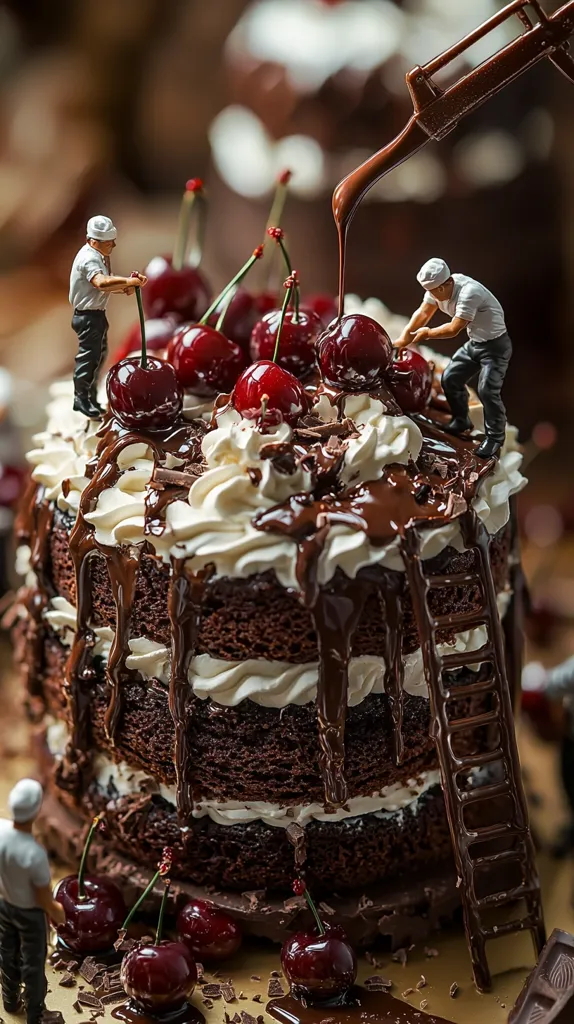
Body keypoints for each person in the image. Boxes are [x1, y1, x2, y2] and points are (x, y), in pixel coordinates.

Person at [395, 258, 512, 460]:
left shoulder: (469, 292)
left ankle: (495, 437)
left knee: (487, 390)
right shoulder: (437, 290)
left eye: (434, 291)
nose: (431, 295)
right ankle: (461, 420)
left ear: (447, 284)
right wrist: (404, 338)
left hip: (495, 346)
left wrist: (428, 333)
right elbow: (423, 313)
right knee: (450, 377)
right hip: (476, 343)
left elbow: (454, 328)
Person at [69, 215, 147, 418]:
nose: (113, 244)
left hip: (96, 315)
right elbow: (101, 283)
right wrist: (128, 282)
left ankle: (90, 396)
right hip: (88, 317)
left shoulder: (99, 256)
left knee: (98, 357)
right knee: (89, 359)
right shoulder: (89, 259)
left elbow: (103, 288)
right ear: (94, 241)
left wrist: (125, 288)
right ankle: (81, 400)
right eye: (108, 241)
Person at [0, 779, 64, 1024]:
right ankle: (35, 1015)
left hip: (4, 906)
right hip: (29, 914)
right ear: (37, 810)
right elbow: (42, 896)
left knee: (7, 953)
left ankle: (10, 999)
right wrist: (57, 912)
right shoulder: (33, 854)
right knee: (33, 964)